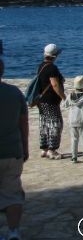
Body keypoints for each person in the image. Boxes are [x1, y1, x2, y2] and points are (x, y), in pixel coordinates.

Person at [0, 57, 28, 240]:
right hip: (12, 150)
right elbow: (23, 124)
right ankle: (13, 231)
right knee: (12, 194)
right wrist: (25, 148)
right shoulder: (15, 93)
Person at [36, 44, 66, 160]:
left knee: (44, 123)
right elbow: (54, 84)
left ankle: (44, 148)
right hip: (51, 100)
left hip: (41, 100)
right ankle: (52, 150)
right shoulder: (52, 68)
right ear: (55, 55)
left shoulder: (41, 66)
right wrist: (64, 97)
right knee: (55, 124)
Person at [65, 75, 83, 163]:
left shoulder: (70, 96)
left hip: (72, 120)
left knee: (74, 138)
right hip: (82, 120)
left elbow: (65, 105)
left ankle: (74, 157)